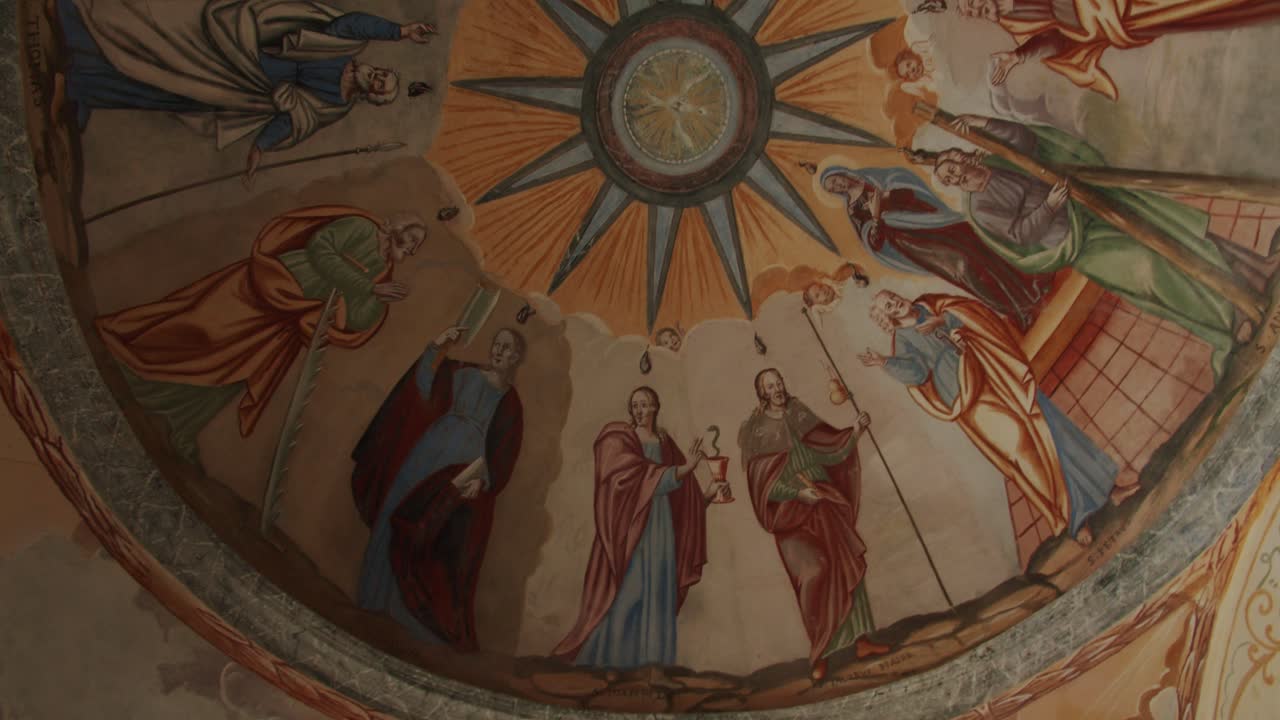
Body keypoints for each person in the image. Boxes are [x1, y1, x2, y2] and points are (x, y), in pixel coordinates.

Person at [920, 114, 1280, 378]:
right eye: (951, 179)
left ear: (964, 155)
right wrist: (1049, 207)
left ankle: (1254, 273)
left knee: (1171, 228)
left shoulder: (996, 158)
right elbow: (1020, 236)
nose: (957, 175)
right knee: (1148, 271)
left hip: (1089, 202)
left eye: (954, 165)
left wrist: (980, 121)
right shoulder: (981, 208)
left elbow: (1024, 140)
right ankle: (1227, 321)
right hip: (1079, 241)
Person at [95, 206, 423, 465]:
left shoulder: (383, 274)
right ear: (396, 232)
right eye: (410, 243)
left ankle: (180, 421)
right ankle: (132, 363)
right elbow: (321, 249)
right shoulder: (361, 229)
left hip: (286, 322)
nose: (410, 251)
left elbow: (357, 318)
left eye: (414, 249)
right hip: (272, 287)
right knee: (202, 330)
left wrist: (375, 301)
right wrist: (367, 286)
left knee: (236, 372)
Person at [56, 0, 435, 183]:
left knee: (167, 89)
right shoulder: (342, 50)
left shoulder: (337, 105)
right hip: (241, 53)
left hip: (243, 89)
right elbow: (353, 23)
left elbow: (296, 122)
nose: (379, 76)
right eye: (384, 73)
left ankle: (87, 86)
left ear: (371, 96)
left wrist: (260, 148)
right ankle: (79, 29)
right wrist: (399, 31)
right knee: (163, 44)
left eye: (381, 85)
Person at [859, 290, 1124, 546]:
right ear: (889, 318)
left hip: (994, 371)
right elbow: (916, 374)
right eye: (889, 307)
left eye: (892, 297)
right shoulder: (904, 340)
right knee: (1021, 450)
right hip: (967, 396)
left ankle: (1106, 488)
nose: (895, 303)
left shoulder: (933, 304)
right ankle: (1072, 517)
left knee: (1048, 424)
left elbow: (975, 316)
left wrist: (947, 322)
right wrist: (884, 362)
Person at [350, 326, 526, 651]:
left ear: (517, 357)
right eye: (496, 344)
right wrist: (438, 345)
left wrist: (482, 480)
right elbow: (423, 384)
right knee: (396, 509)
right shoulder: (463, 372)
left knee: (428, 530)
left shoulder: (511, 403)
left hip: (462, 466)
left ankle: (404, 611)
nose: (498, 351)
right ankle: (373, 597)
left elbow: (504, 453)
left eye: (506, 348)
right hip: (431, 447)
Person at [553, 387, 728, 685]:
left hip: (661, 529)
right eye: (635, 404)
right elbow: (629, 479)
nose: (639, 409)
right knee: (625, 593)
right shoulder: (619, 439)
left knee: (659, 595)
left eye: (645, 404)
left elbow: (684, 499)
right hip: (630, 529)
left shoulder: (665, 442)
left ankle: (655, 669)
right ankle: (611, 664)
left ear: (656, 407)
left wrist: (708, 494)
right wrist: (686, 468)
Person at [737, 369, 890, 683]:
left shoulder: (799, 412)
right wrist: (797, 493)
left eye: (780, 382)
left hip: (824, 499)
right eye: (771, 386)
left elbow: (831, 449)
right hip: (791, 513)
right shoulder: (755, 430)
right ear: (761, 392)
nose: (778, 388)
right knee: (813, 576)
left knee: (847, 565)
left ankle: (862, 641)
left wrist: (856, 431)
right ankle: (821, 653)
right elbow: (762, 487)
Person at [820, 166, 1051, 330]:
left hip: (935, 221)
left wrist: (888, 198)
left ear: (843, 173)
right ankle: (1017, 310)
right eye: (833, 187)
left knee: (983, 249)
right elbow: (874, 242)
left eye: (836, 179)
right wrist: (877, 217)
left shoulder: (874, 178)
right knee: (963, 269)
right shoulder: (853, 210)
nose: (838, 185)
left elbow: (909, 188)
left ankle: (1030, 284)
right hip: (914, 243)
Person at [942, 0, 1280, 100]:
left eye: (972, 3)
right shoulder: (1015, 27)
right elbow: (1060, 39)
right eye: (972, 14)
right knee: (1198, 12)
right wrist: (1019, 55)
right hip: (1125, 18)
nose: (976, 10)